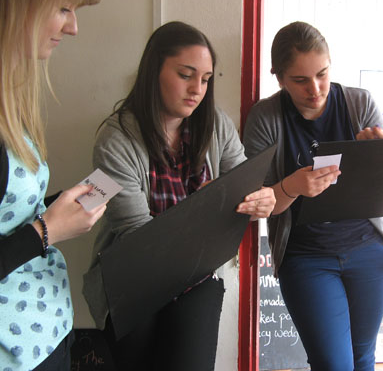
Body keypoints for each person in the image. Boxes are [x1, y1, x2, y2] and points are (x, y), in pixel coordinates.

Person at [82, 21, 276, 371]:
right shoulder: (115, 139)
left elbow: (243, 181)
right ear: (154, 69)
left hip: (196, 274)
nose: (197, 89)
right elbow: (136, 236)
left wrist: (262, 200)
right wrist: (201, 211)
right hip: (133, 278)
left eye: (205, 79)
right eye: (186, 75)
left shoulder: (215, 124)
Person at [243, 21, 383, 371]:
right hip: (307, 256)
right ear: (280, 78)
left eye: (322, 74)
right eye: (300, 80)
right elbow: (257, 205)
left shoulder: (359, 102)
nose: (315, 89)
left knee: (363, 359)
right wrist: (293, 187)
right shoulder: (266, 118)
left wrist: (377, 159)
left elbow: (382, 190)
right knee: (333, 363)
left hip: (369, 249)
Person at [0, 0, 106, 370]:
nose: (74, 27)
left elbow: (9, 211)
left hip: (47, 332)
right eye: (63, 8)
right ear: (15, 0)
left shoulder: (12, 103)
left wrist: (58, 205)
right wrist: (47, 231)